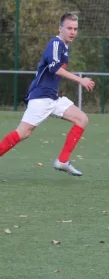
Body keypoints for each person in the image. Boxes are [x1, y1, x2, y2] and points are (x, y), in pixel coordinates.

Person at [0, 12, 95, 176]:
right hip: (41, 97)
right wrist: (80, 80)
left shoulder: (65, 47)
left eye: (75, 29)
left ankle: (63, 161)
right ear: (60, 28)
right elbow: (54, 69)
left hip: (53, 97)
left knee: (82, 119)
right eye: (69, 28)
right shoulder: (55, 44)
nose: (73, 32)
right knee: (24, 133)